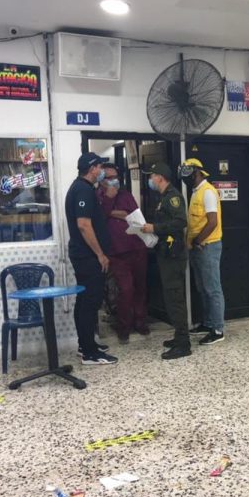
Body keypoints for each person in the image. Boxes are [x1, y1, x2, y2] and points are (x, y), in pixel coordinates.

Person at [65, 152, 118, 365]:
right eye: (100, 167)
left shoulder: (85, 188)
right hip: (88, 257)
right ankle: (89, 353)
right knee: (90, 302)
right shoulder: (83, 190)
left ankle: (85, 344)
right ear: (92, 168)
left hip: (84, 255)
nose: (102, 171)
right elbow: (83, 225)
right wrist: (100, 254)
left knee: (85, 301)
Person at [141, 163, 191, 359]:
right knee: (170, 298)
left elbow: (180, 222)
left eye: (152, 176)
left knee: (175, 298)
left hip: (173, 255)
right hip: (165, 254)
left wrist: (154, 228)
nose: (150, 179)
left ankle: (183, 343)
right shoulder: (163, 197)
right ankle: (179, 337)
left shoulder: (174, 197)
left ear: (160, 177)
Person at [98, 162, 149, 344]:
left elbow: (133, 215)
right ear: (102, 181)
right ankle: (123, 328)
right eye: (109, 178)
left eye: (115, 177)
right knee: (126, 290)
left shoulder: (126, 195)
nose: (114, 181)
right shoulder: (97, 197)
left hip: (137, 248)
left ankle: (140, 322)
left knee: (140, 288)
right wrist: (110, 204)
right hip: (117, 253)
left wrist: (112, 212)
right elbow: (99, 216)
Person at [181, 158, 225, 345]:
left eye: (189, 174)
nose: (186, 177)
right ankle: (207, 323)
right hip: (197, 246)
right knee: (202, 288)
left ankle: (217, 329)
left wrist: (198, 240)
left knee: (212, 289)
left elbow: (212, 221)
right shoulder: (195, 192)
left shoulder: (207, 192)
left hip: (207, 246)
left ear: (198, 172)